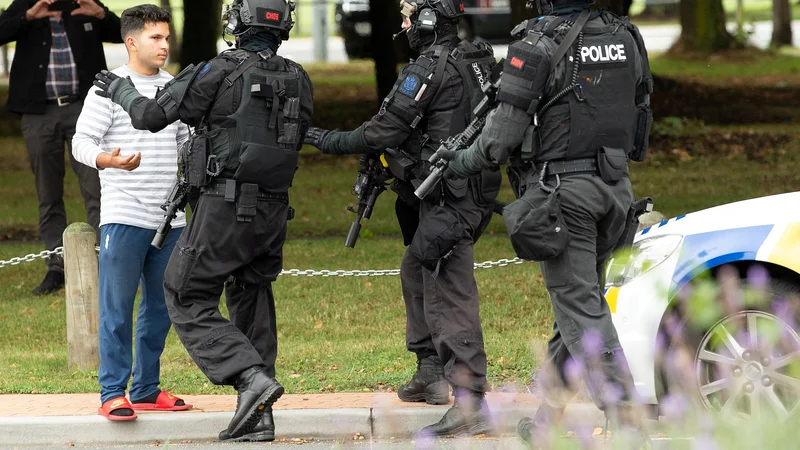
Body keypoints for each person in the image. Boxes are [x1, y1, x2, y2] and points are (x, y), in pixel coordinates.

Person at [432, 0, 654, 444]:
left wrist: (458, 162)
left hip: (565, 198)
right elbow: (641, 116)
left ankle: (629, 423)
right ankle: (546, 422)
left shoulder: (535, 44)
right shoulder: (626, 36)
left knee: (582, 311)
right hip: (616, 192)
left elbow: (497, 142)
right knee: (576, 306)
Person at [91, 0, 313, 441]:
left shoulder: (218, 70)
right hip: (273, 213)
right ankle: (258, 417)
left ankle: (250, 378)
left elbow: (150, 116)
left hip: (223, 208)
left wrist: (119, 89)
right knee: (252, 296)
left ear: (237, 23)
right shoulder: (298, 76)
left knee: (184, 291)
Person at [303, 0, 501, 436]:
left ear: (429, 22)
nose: (405, 26)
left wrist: (322, 137)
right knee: (416, 268)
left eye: (411, 18)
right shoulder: (477, 57)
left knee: (448, 287)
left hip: (450, 196)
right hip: (471, 189)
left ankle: (470, 401)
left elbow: (382, 131)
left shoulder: (430, 66)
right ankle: (429, 370)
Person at [72, 4, 192, 422]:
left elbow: (185, 145)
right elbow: (80, 142)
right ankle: (112, 392)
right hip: (123, 216)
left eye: (166, 37)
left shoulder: (174, 87)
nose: (164, 45)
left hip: (171, 219)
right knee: (117, 309)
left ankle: (145, 388)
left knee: (161, 309)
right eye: (155, 38)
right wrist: (108, 159)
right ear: (131, 41)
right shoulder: (109, 87)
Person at [0, 0, 123, 295]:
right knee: (48, 193)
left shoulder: (83, 4)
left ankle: (104, 263)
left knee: (97, 188)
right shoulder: (26, 6)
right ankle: (57, 267)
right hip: (38, 113)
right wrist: (27, 16)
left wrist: (102, 15)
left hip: (86, 108)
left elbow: (127, 34)